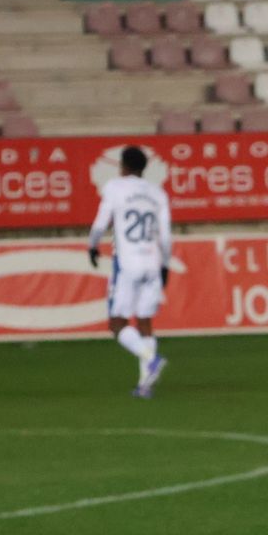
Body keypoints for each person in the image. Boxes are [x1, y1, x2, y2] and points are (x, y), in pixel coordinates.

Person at [88, 146, 173, 399]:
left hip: (127, 264)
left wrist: (92, 245)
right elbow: (166, 235)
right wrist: (165, 265)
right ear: (144, 168)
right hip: (152, 262)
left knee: (117, 324)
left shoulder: (115, 187)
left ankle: (151, 359)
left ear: (122, 166)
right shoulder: (158, 194)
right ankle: (145, 384)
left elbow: (102, 220)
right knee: (145, 321)